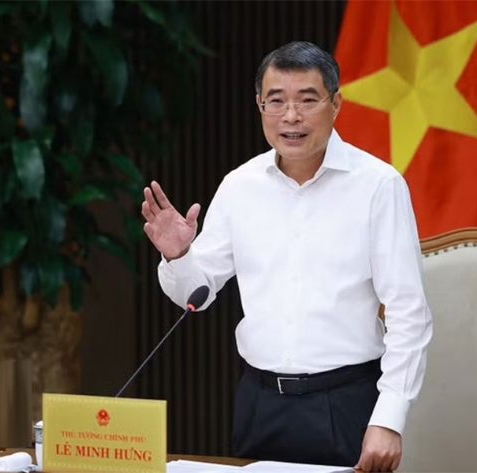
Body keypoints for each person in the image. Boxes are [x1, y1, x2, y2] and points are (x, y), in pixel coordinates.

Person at [141, 41, 433, 472]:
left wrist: (388, 418)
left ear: (336, 104)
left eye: (307, 100)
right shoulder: (239, 186)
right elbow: (196, 297)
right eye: (276, 101)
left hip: (346, 402)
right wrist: (180, 255)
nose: (291, 116)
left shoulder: (378, 186)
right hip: (259, 403)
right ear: (259, 105)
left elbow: (409, 313)